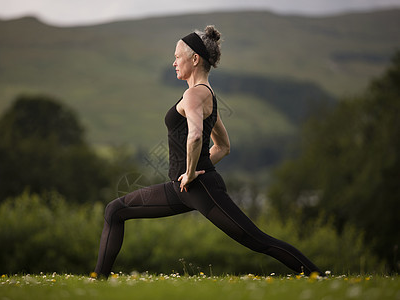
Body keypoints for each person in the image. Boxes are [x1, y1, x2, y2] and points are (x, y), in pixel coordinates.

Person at [94, 25, 323, 278]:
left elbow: (195, 136)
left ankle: (319, 277)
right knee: (115, 210)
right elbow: (223, 147)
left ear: (195, 59)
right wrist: (190, 173)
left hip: (199, 188)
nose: (174, 63)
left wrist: (192, 173)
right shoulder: (206, 96)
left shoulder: (194, 95)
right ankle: (99, 282)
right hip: (181, 188)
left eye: (177, 56)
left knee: (258, 241)